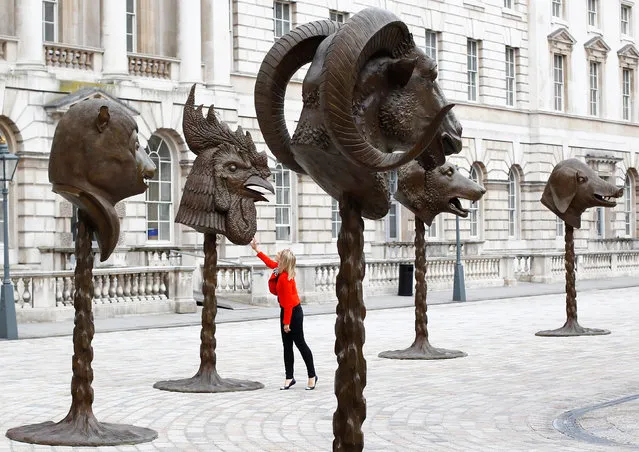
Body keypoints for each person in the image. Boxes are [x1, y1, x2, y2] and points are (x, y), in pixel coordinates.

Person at [250, 238, 318, 390]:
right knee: (287, 346)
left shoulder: (285, 279)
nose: (276, 256)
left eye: (279, 256)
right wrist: (256, 250)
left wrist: (286, 323)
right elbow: (268, 262)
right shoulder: (279, 270)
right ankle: (289, 377)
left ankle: (312, 376)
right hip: (286, 311)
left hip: (293, 313)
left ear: (283, 262)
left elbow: (288, 304)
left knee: (300, 344)